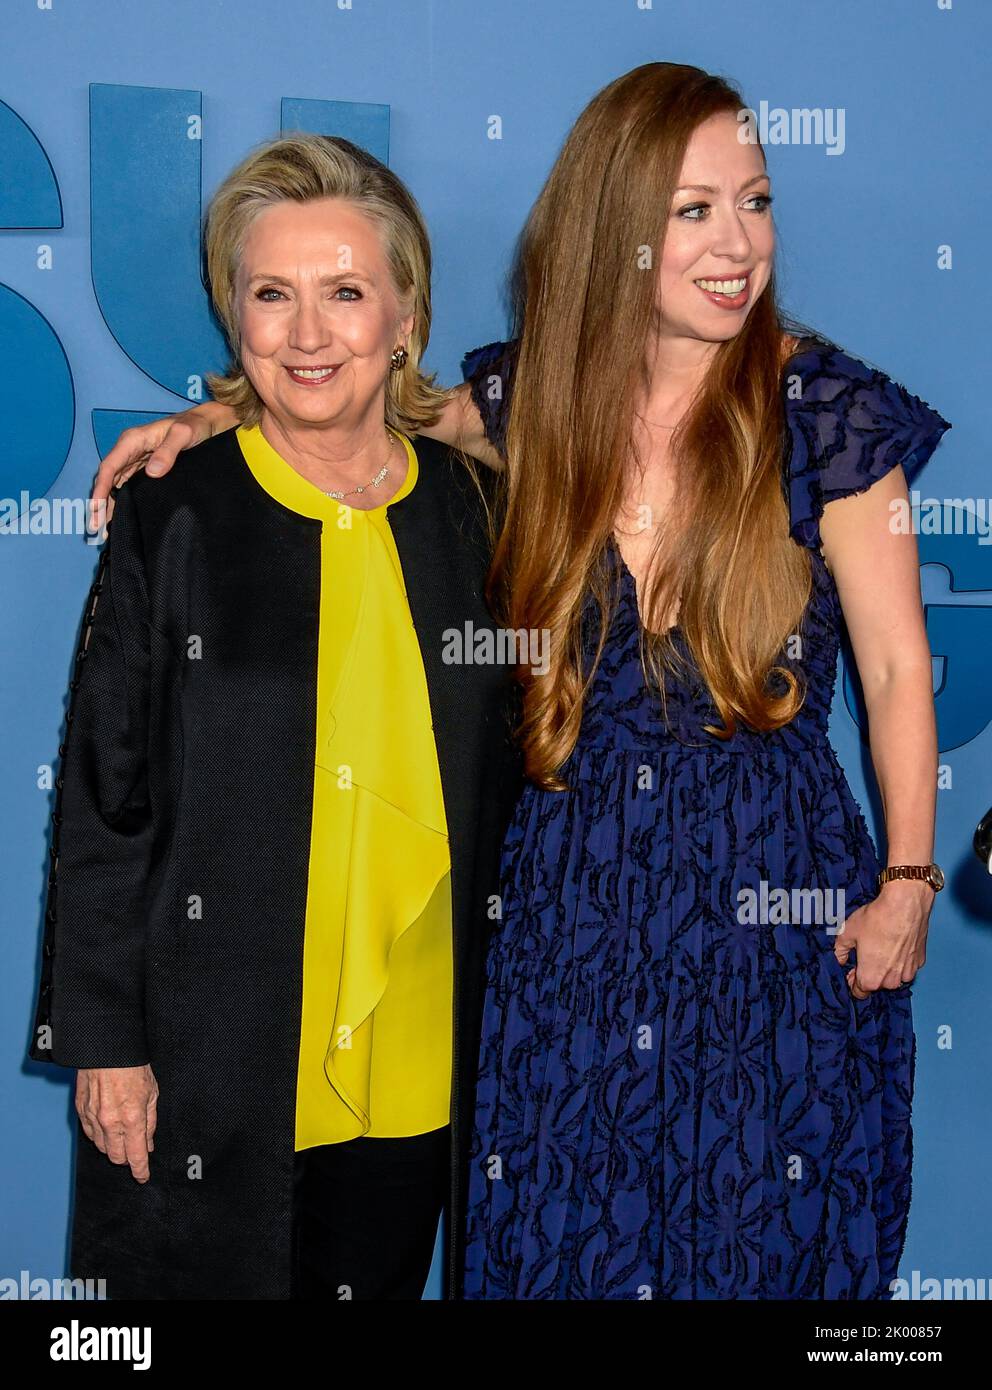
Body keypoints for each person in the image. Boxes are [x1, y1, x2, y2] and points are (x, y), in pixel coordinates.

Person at [89, 62, 950, 1300]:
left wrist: (907, 877)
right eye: (691, 209)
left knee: (757, 1237)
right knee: (562, 1240)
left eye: (752, 202)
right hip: (565, 906)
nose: (736, 243)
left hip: (769, 896)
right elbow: (346, 394)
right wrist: (207, 424)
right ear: (615, 224)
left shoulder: (826, 413)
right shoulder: (528, 394)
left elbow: (891, 666)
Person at [30, 132, 520, 1300]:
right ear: (234, 318)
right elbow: (107, 795)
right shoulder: (179, 508)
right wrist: (107, 1043)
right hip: (215, 1051)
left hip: (420, 1049)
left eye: (345, 293)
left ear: (405, 316)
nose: (307, 334)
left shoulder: (478, 511)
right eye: (271, 296)